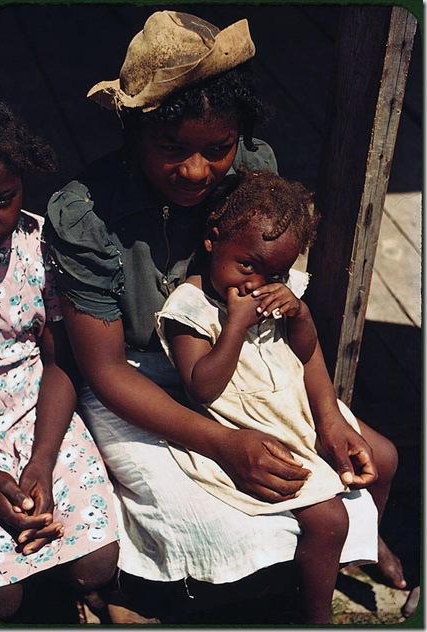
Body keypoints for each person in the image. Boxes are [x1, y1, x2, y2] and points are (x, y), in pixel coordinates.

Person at [44, 11, 405, 623]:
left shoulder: (251, 178)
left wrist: (325, 417)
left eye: (217, 149)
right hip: (141, 382)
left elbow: (288, 321)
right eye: (170, 149)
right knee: (223, 530)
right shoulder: (89, 213)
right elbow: (105, 371)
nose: (194, 172)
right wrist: (222, 445)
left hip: (249, 365)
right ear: (133, 132)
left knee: (368, 459)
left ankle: (348, 549)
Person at [156, 168, 402, 623]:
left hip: (292, 405)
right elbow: (202, 386)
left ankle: (364, 545)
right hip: (245, 425)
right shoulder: (189, 309)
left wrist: (301, 315)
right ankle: (314, 613)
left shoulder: (276, 291)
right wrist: (233, 327)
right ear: (213, 238)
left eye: (276, 272)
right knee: (327, 519)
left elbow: (305, 354)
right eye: (248, 265)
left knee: (384, 457)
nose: (257, 283)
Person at [0, 95, 119, 622]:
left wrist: (41, 460)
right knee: (0, 598)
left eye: (1, 199)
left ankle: (79, 590)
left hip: (38, 410)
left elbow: (60, 364)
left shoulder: (39, 246)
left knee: (96, 564)